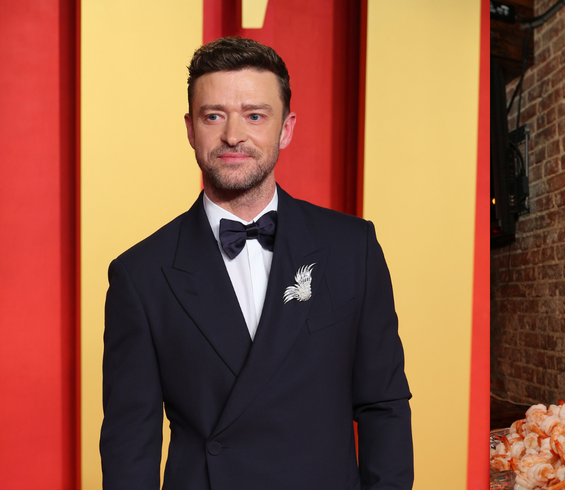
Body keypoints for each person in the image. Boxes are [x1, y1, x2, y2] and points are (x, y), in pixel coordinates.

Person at [100, 36, 413, 489]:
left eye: (254, 115)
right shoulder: (140, 274)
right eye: (214, 116)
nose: (233, 135)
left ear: (285, 128)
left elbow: (383, 404)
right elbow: (131, 442)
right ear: (190, 129)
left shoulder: (352, 247)